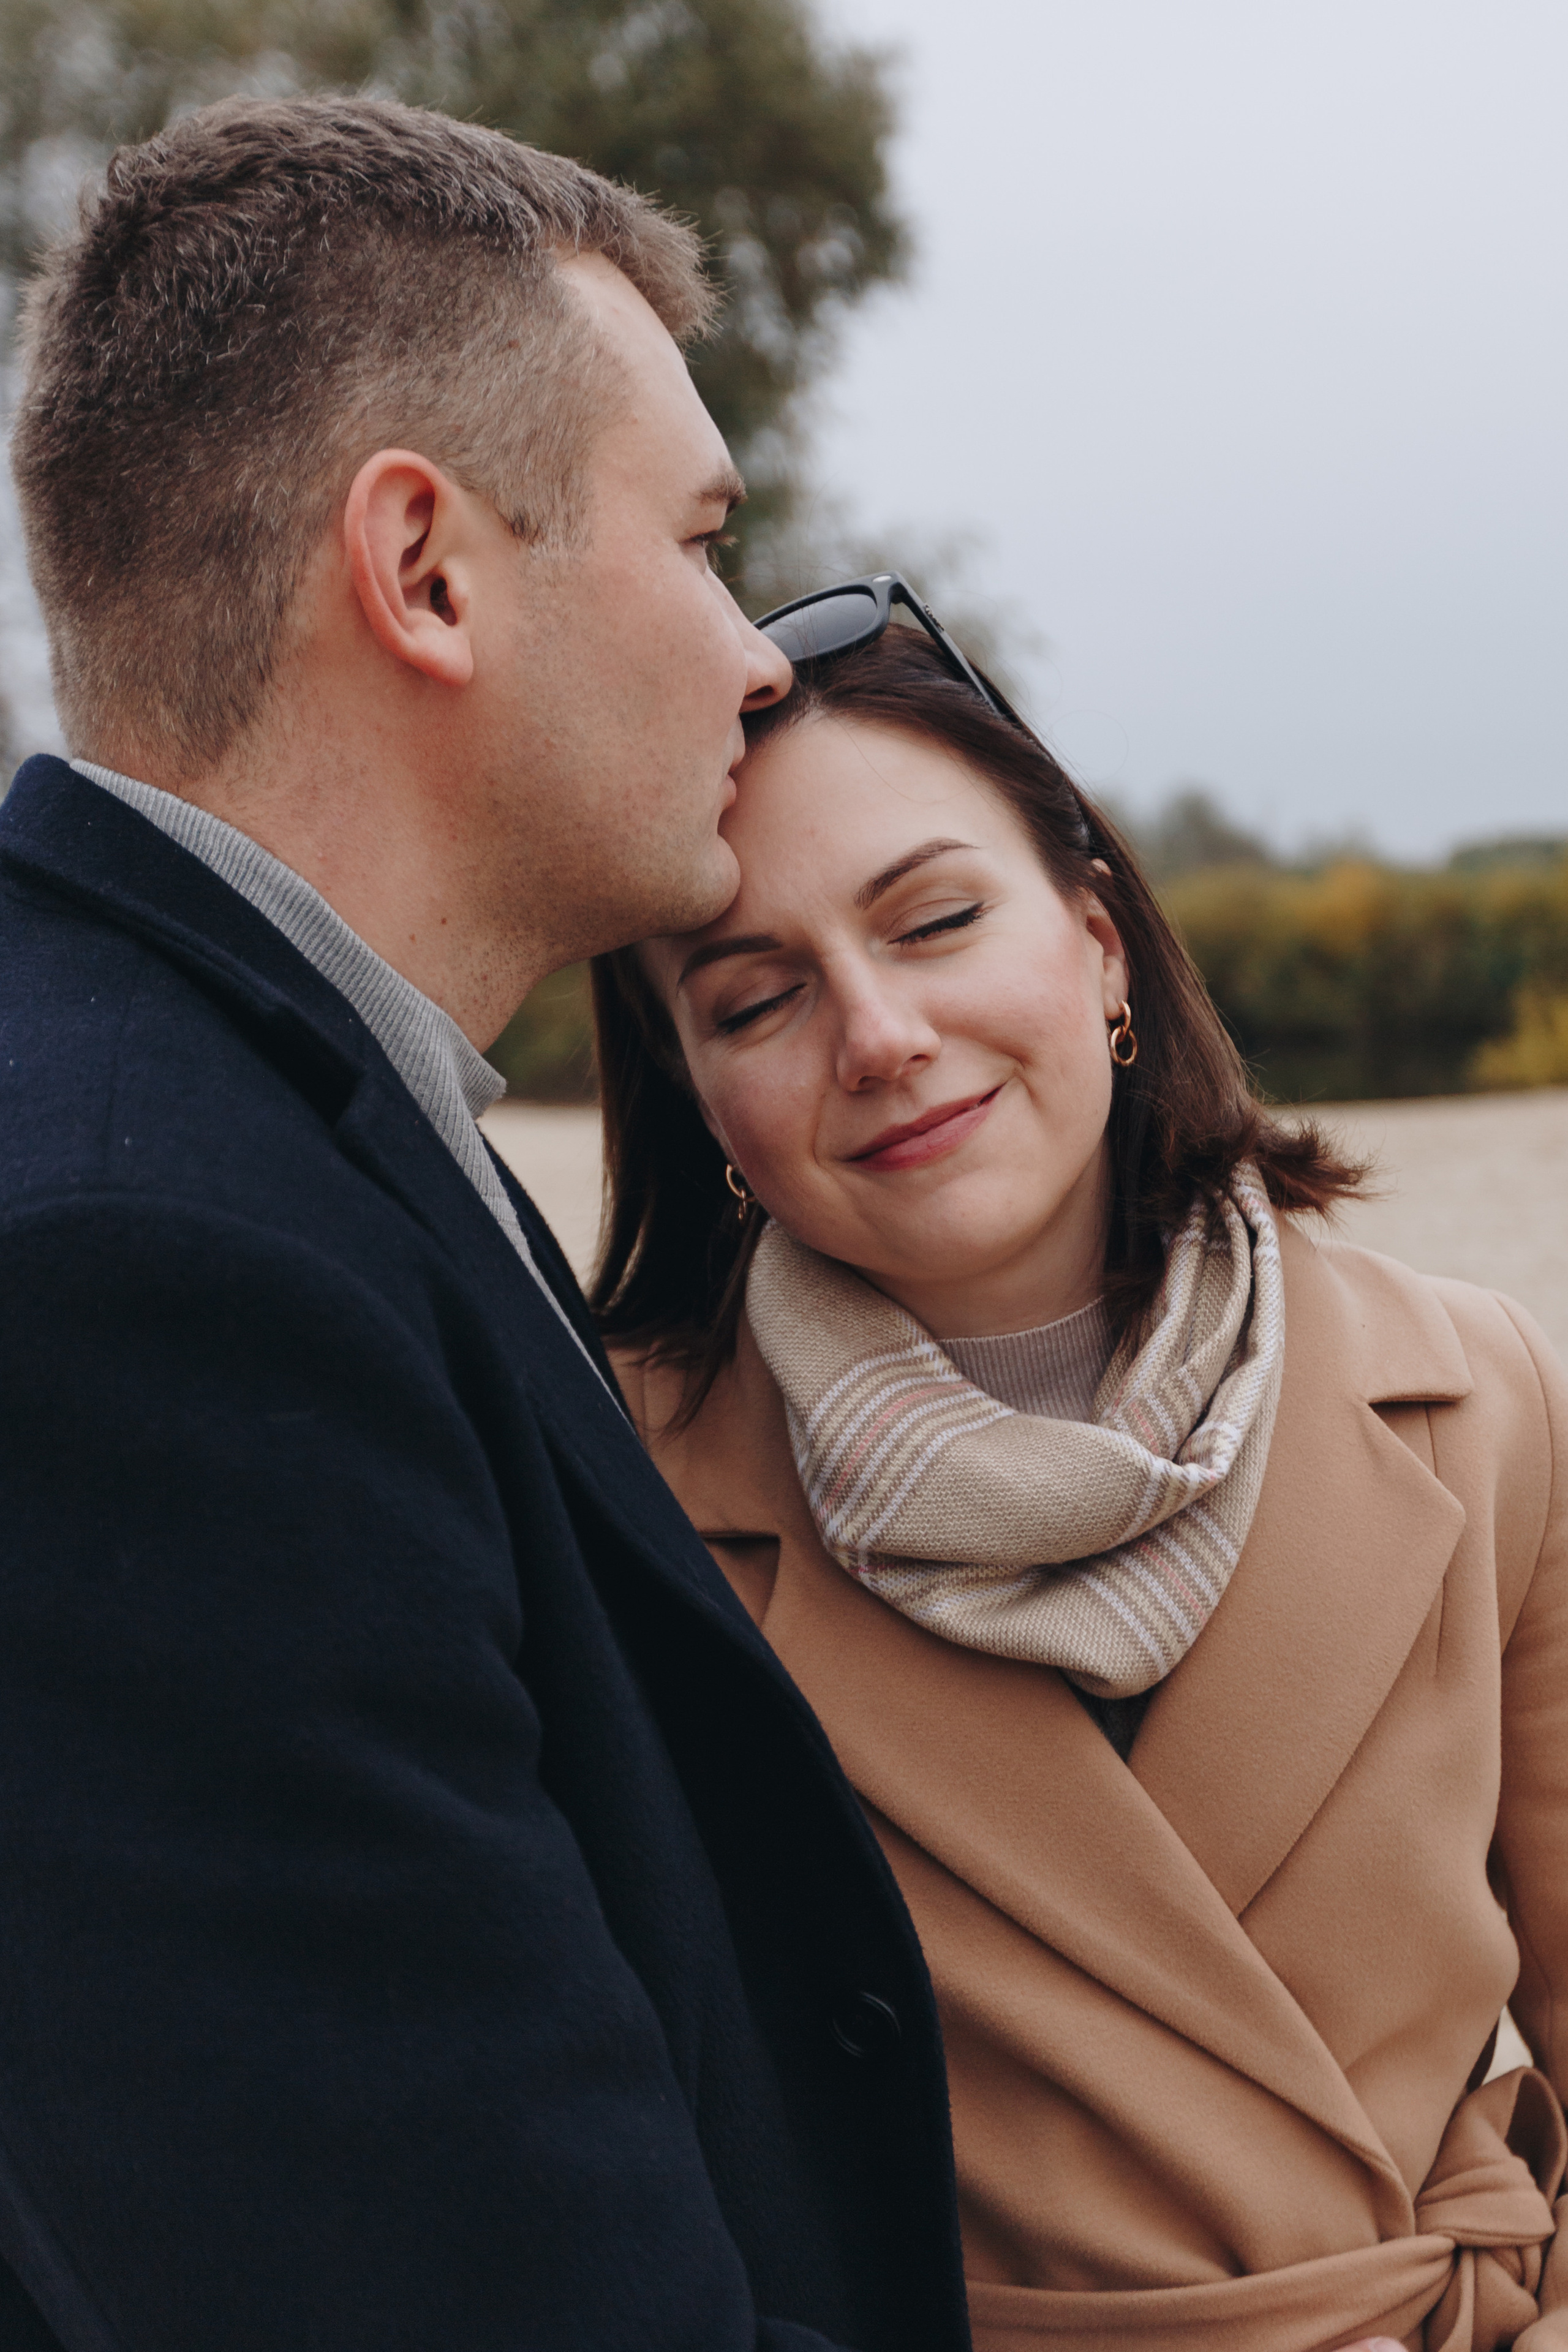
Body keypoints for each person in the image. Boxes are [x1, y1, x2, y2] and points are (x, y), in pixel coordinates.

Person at [0, 100, 976, 2352]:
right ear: (425, 570)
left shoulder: (263, 1119)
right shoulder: (140, 1273)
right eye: (704, 539)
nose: (760, 660)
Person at [594, 614, 1568, 2352]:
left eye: (938, 919)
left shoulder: (1482, 1394)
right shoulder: (616, 1495)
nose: (881, 1035)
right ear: (698, 1100)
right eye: (757, 996)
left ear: (1104, 945)